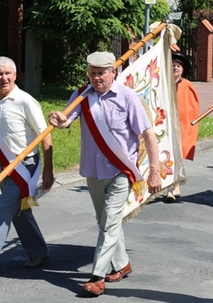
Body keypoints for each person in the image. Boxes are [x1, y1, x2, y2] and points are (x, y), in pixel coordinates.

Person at [48, 51, 162, 297]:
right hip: (93, 170)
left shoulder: (128, 98)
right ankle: (122, 264)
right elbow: (67, 119)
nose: (96, 78)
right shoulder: (81, 96)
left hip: (121, 170)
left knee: (109, 223)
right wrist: (59, 120)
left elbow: (148, 135)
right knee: (105, 221)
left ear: (113, 72)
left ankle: (97, 277)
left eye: (101, 73)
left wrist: (155, 171)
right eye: (92, 73)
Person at [0, 56, 54, 279]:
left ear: (15, 75)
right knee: (19, 212)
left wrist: (48, 170)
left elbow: (45, 136)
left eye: (8, 73)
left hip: (25, 166)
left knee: (3, 208)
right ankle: (38, 252)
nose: (4, 78)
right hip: (2, 164)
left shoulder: (26, 101)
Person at [165, 52, 200, 202]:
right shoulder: (163, 83)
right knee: (166, 156)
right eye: (173, 65)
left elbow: (192, 110)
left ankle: (175, 186)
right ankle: (170, 188)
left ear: (183, 70)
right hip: (165, 126)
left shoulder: (187, 86)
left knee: (177, 157)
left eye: (178, 66)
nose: (175, 68)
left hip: (181, 127)